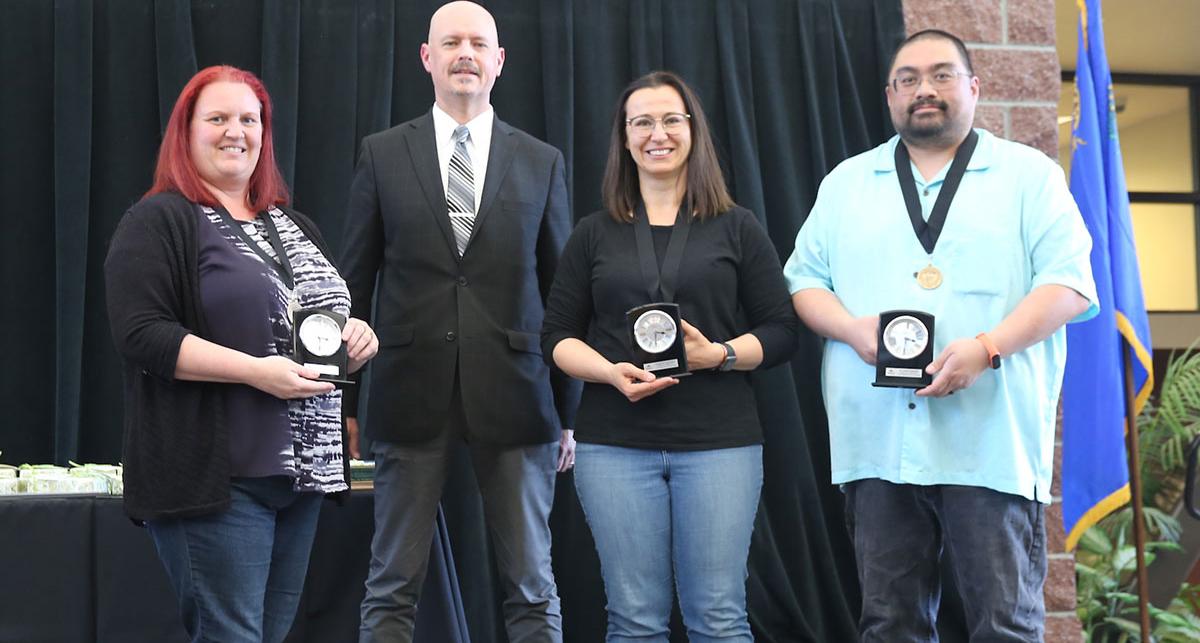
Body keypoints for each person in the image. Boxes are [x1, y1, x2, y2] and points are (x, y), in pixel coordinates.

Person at [784, 29, 1099, 641]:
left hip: (991, 441)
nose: (923, 89)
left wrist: (987, 348)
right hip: (877, 442)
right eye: (907, 79)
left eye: (941, 74)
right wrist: (851, 329)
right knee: (890, 622)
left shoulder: (1027, 176)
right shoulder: (847, 183)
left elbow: (1069, 285)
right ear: (889, 96)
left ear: (974, 87)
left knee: (1004, 625)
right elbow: (803, 284)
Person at [104, 65, 379, 643]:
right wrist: (258, 374)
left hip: (303, 479)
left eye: (249, 119)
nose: (236, 131)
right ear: (187, 132)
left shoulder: (293, 224)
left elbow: (311, 328)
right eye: (218, 118)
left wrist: (354, 339)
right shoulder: (160, 220)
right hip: (218, 480)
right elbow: (142, 334)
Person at [339, 2, 580, 640]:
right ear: (428, 58)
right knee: (391, 585)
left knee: (532, 586)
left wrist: (567, 411)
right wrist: (349, 401)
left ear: (499, 61)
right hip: (405, 392)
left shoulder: (542, 161)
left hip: (520, 395)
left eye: (479, 43)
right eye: (451, 43)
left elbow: (564, 298)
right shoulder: (383, 154)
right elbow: (353, 286)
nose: (465, 53)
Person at [541, 70, 798, 642]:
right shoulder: (593, 233)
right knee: (633, 619)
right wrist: (608, 371)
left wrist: (720, 355)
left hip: (719, 444)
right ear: (625, 139)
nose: (657, 133)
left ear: (692, 131)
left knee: (719, 615)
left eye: (670, 120)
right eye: (642, 123)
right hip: (614, 445)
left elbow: (782, 332)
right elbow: (556, 337)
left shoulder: (737, 227)